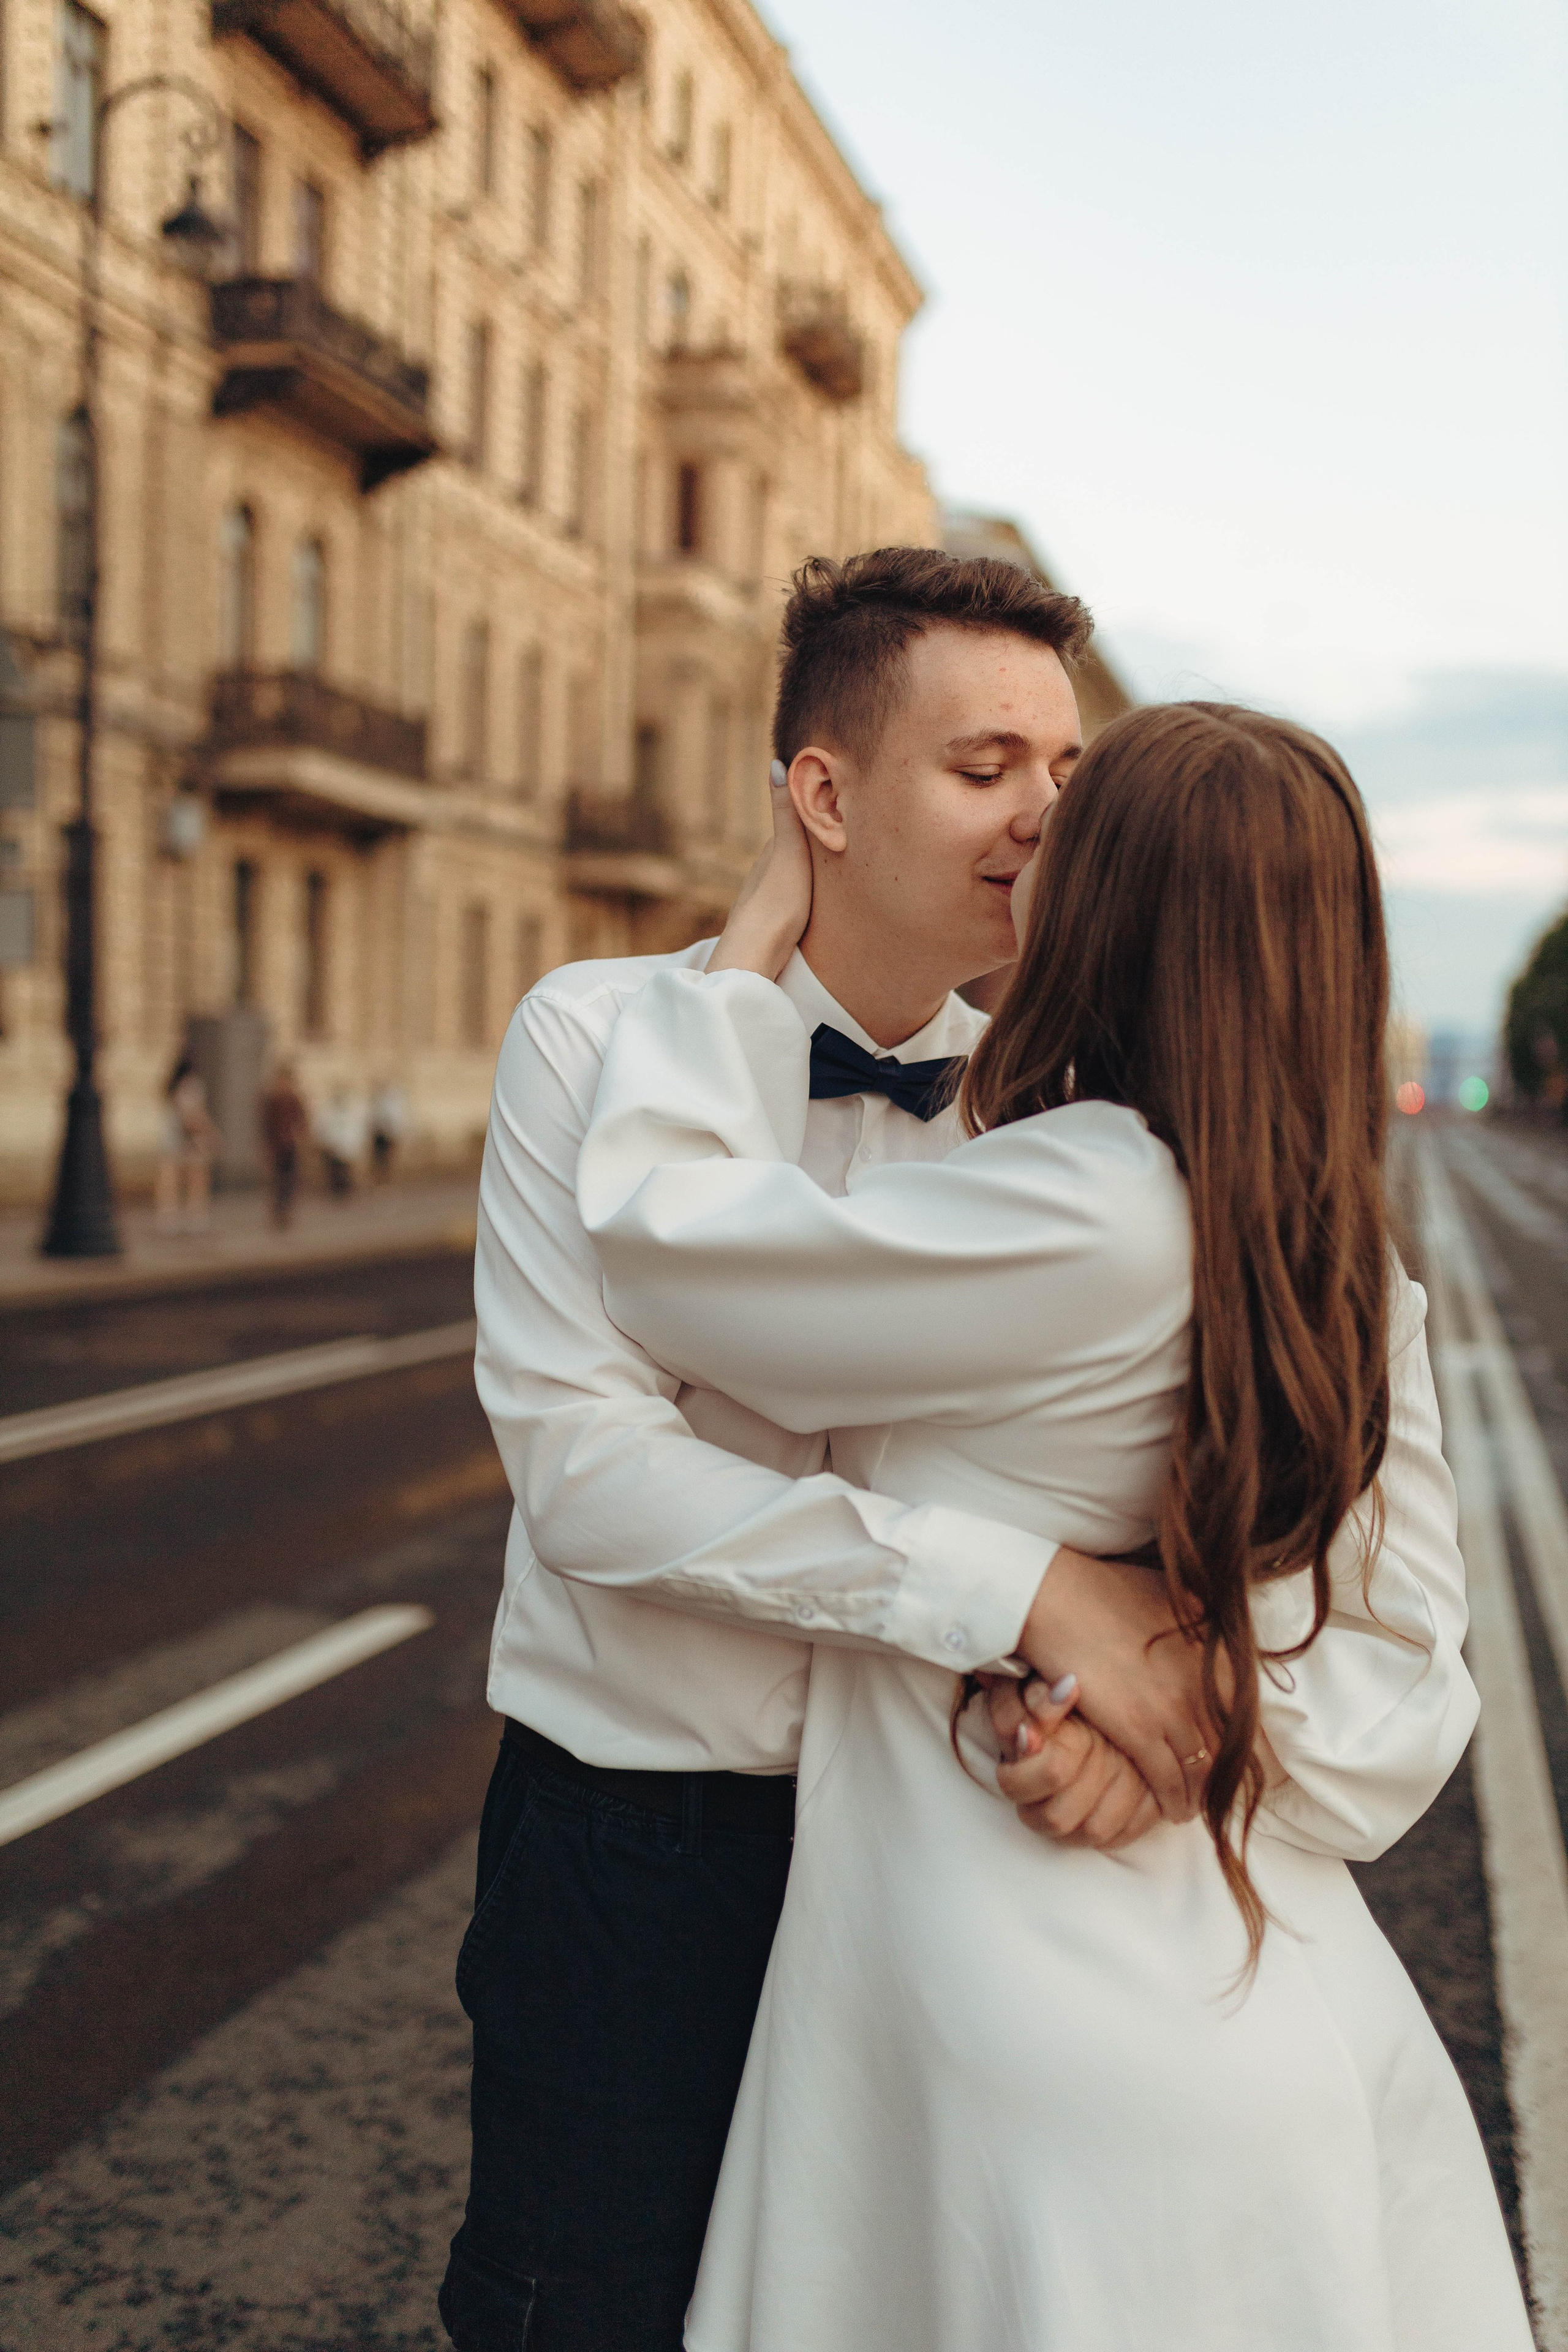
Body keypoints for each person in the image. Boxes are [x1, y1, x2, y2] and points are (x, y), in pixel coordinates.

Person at [443, 551, 1479, 2352]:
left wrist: (1169, 1703)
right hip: (652, 1845)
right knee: (577, 2308)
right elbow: (593, 1475)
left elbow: (1239, 1504)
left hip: (972, 1848)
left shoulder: (1077, 1125)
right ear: (823, 796)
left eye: (1069, 771)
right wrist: (1030, 1597)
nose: (1041, 814)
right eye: (985, 764)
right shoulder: (599, 1039)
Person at [154, 1054, 218, 1235]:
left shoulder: (172, 1087)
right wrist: (211, 1134)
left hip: (171, 1139)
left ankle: (168, 1219)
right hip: (190, 1140)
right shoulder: (192, 1085)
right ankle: (194, 1219)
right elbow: (194, 1115)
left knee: (170, 1182)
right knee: (196, 1181)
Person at [260, 1063, 310, 1229]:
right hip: (277, 1146)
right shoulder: (272, 1100)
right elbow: (265, 1125)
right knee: (278, 1180)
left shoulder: (293, 1099)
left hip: (290, 1145)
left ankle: (285, 1211)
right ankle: (279, 1211)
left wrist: (301, 1138)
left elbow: (302, 1121)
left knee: (289, 1179)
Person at [370, 1076, 409, 1182]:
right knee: (381, 1157)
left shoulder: (393, 1101)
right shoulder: (380, 1101)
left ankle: (386, 1176)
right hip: (381, 1133)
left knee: (387, 1156)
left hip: (389, 1132)